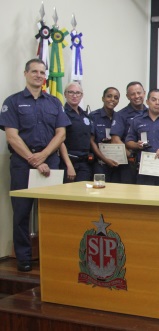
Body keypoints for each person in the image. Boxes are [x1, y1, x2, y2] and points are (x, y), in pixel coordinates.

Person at [0, 58, 71, 272]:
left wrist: (44, 155)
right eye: (35, 72)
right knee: (22, 212)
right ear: (25, 73)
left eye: (42, 72)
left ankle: (53, 255)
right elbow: (12, 136)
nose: (39, 75)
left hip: (50, 162)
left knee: (52, 211)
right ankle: (24, 258)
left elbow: (61, 133)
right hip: (23, 163)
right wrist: (33, 159)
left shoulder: (54, 103)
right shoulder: (12, 102)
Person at [110, 81, 147, 184]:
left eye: (139, 93)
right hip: (129, 163)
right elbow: (115, 140)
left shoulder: (151, 113)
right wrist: (130, 155)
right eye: (132, 94)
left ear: (144, 93)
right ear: (127, 96)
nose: (136, 96)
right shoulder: (121, 115)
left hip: (148, 163)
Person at [59, 82, 93, 183]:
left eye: (78, 93)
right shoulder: (62, 113)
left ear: (82, 95)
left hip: (85, 163)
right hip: (69, 162)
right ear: (65, 94)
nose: (74, 95)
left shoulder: (85, 115)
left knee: (83, 196)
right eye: (71, 92)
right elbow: (60, 141)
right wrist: (69, 165)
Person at [89, 87, 121, 183]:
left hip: (117, 164)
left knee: (115, 192)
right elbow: (91, 141)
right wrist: (105, 159)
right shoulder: (94, 116)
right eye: (109, 96)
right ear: (103, 98)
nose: (112, 99)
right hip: (100, 164)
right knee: (99, 191)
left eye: (116, 97)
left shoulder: (119, 117)